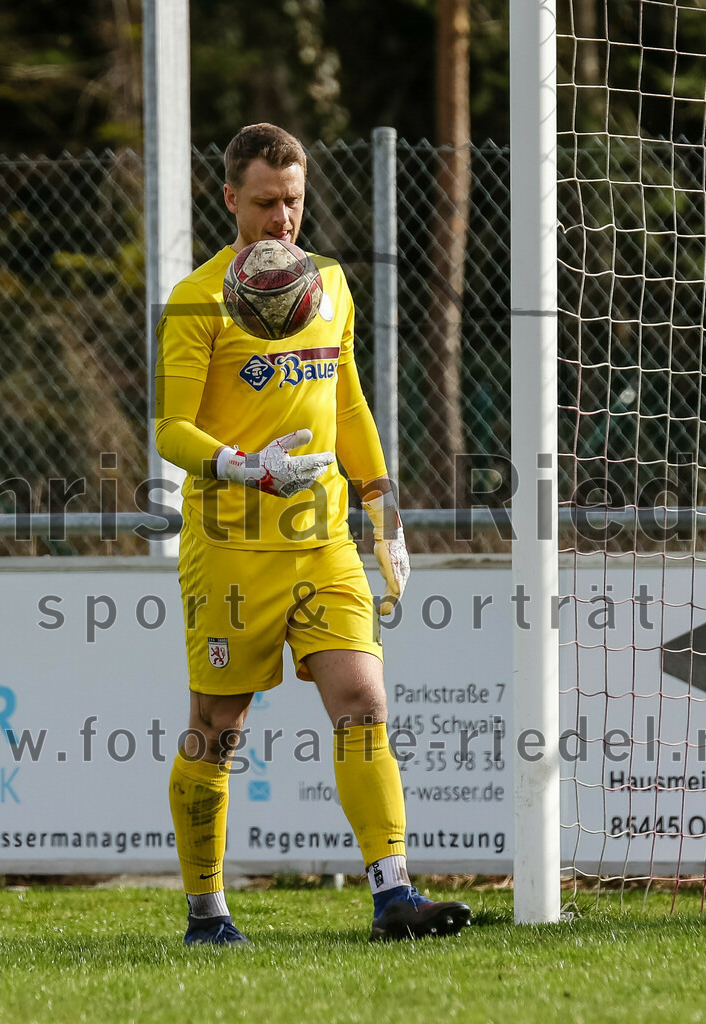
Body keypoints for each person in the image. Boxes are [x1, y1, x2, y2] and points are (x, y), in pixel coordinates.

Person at [154, 122, 471, 945]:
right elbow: (170, 429)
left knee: (362, 702)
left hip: (323, 539)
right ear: (231, 199)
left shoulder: (327, 282)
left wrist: (382, 507)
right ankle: (206, 913)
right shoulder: (196, 299)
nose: (282, 219)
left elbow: (347, 400)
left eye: (292, 201)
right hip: (230, 547)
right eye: (265, 202)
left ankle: (393, 893)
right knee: (217, 728)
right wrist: (245, 465)